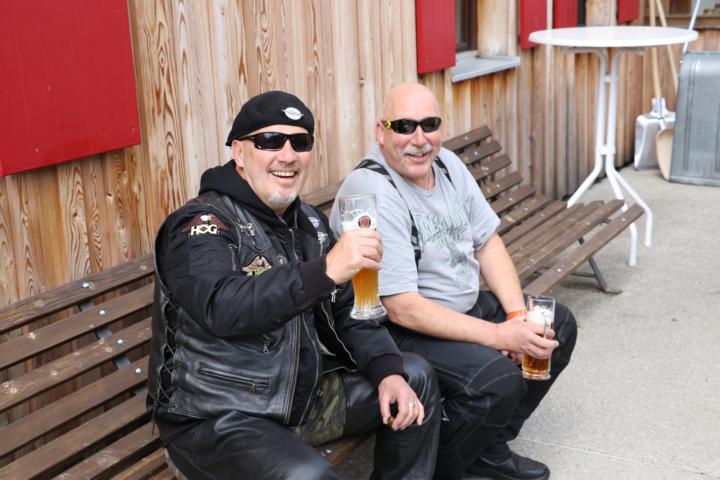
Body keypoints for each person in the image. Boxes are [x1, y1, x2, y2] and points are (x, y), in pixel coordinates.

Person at [146, 90, 441, 479]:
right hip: (217, 416)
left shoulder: (309, 223)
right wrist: (325, 270)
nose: (287, 155)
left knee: (413, 379)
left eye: (300, 142)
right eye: (270, 141)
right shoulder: (202, 225)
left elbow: (347, 312)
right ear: (239, 152)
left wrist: (387, 371)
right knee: (309, 476)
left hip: (298, 398)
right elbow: (222, 307)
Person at [330, 83, 578, 480]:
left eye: (429, 124)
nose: (419, 138)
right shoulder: (373, 190)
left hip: (460, 305)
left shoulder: (445, 164)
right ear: (381, 132)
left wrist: (517, 318)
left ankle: (486, 449)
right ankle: (447, 466)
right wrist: (499, 337)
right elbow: (401, 307)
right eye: (404, 126)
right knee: (495, 381)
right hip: (401, 329)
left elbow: (487, 242)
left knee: (556, 325)